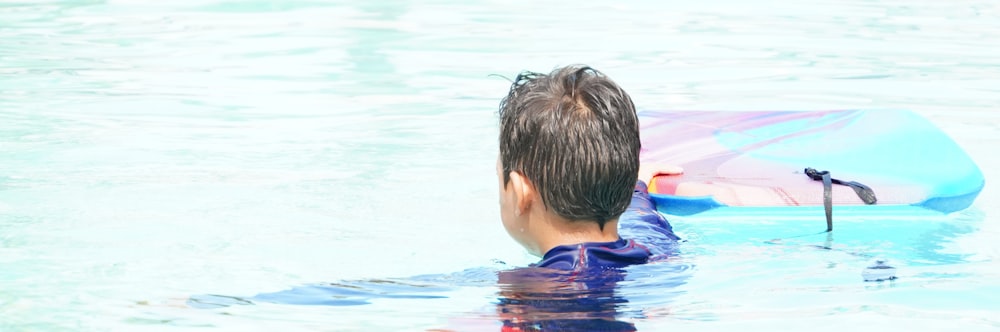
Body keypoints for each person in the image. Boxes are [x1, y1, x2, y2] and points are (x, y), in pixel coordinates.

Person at [496, 65, 681, 271]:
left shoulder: (519, 292)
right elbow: (639, 212)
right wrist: (638, 185)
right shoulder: (653, 240)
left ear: (520, 192)